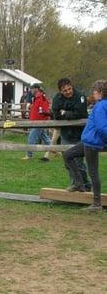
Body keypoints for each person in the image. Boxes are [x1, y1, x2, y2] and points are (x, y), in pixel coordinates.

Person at [63, 80, 106, 211]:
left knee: (93, 172)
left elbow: (102, 127)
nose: (93, 94)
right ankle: (79, 184)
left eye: (94, 92)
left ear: (100, 93)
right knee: (68, 155)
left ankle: (97, 204)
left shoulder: (100, 106)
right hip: (88, 141)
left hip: (92, 142)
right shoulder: (101, 105)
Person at [51, 78, 90, 190]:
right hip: (66, 134)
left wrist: (65, 112)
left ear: (71, 86)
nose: (68, 91)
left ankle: (86, 186)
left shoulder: (80, 96)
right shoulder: (57, 98)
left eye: (69, 88)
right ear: (60, 91)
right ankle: (75, 184)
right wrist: (70, 114)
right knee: (68, 162)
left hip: (80, 134)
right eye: (65, 90)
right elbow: (56, 114)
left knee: (79, 163)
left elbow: (81, 113)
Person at [22, 83, 51, 160]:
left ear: (36, 89)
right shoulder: (36, 98)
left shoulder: (42, 98)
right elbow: (36, 109)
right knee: (46, 139)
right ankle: (57, 150)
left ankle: (29, 155)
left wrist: (43, 119)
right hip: (35, 122)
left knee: (31, 138)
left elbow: (45, 110)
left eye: (32, 88)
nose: (30, 90)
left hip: (39, 122)